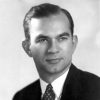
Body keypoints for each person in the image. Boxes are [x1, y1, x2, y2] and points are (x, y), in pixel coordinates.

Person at [13, 3, 100, 100]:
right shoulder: (21, 97)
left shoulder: (96, 89)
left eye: (62, 38)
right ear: (27, 48)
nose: (53, 49)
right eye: (43, 40)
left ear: (73, 43)